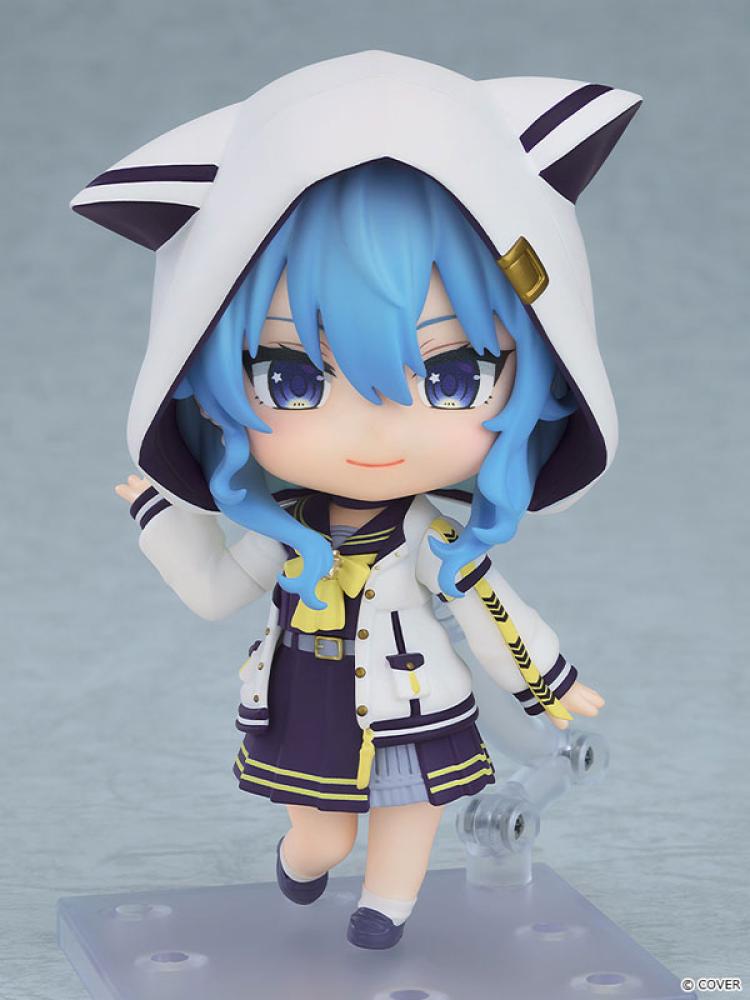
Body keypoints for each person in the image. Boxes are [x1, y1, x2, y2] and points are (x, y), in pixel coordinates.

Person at [73, 51, 640, 949]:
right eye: (293, 378)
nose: (376, 429)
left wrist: (550, 685)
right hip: (308, 699)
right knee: (321, 834)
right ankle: (307, 858)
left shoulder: (433, 538)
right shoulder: (286, 529)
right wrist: (159, 518)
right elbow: (216, 593)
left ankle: (389, 904)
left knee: (412, 809)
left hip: (415, 701)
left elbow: (491, 612)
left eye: (452, 378)